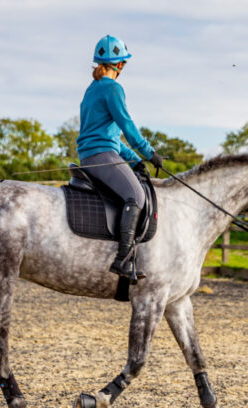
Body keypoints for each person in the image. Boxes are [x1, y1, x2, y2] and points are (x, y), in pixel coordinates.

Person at [76, 34, 164, 281]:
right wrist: (149, 153)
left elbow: (111, 137)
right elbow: (127, 126)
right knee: (135, 195)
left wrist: (135, 160)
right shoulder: (113, 88)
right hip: (101, 156)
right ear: (120, 65)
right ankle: (123, 259)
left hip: (95, 153)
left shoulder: (92, 90)